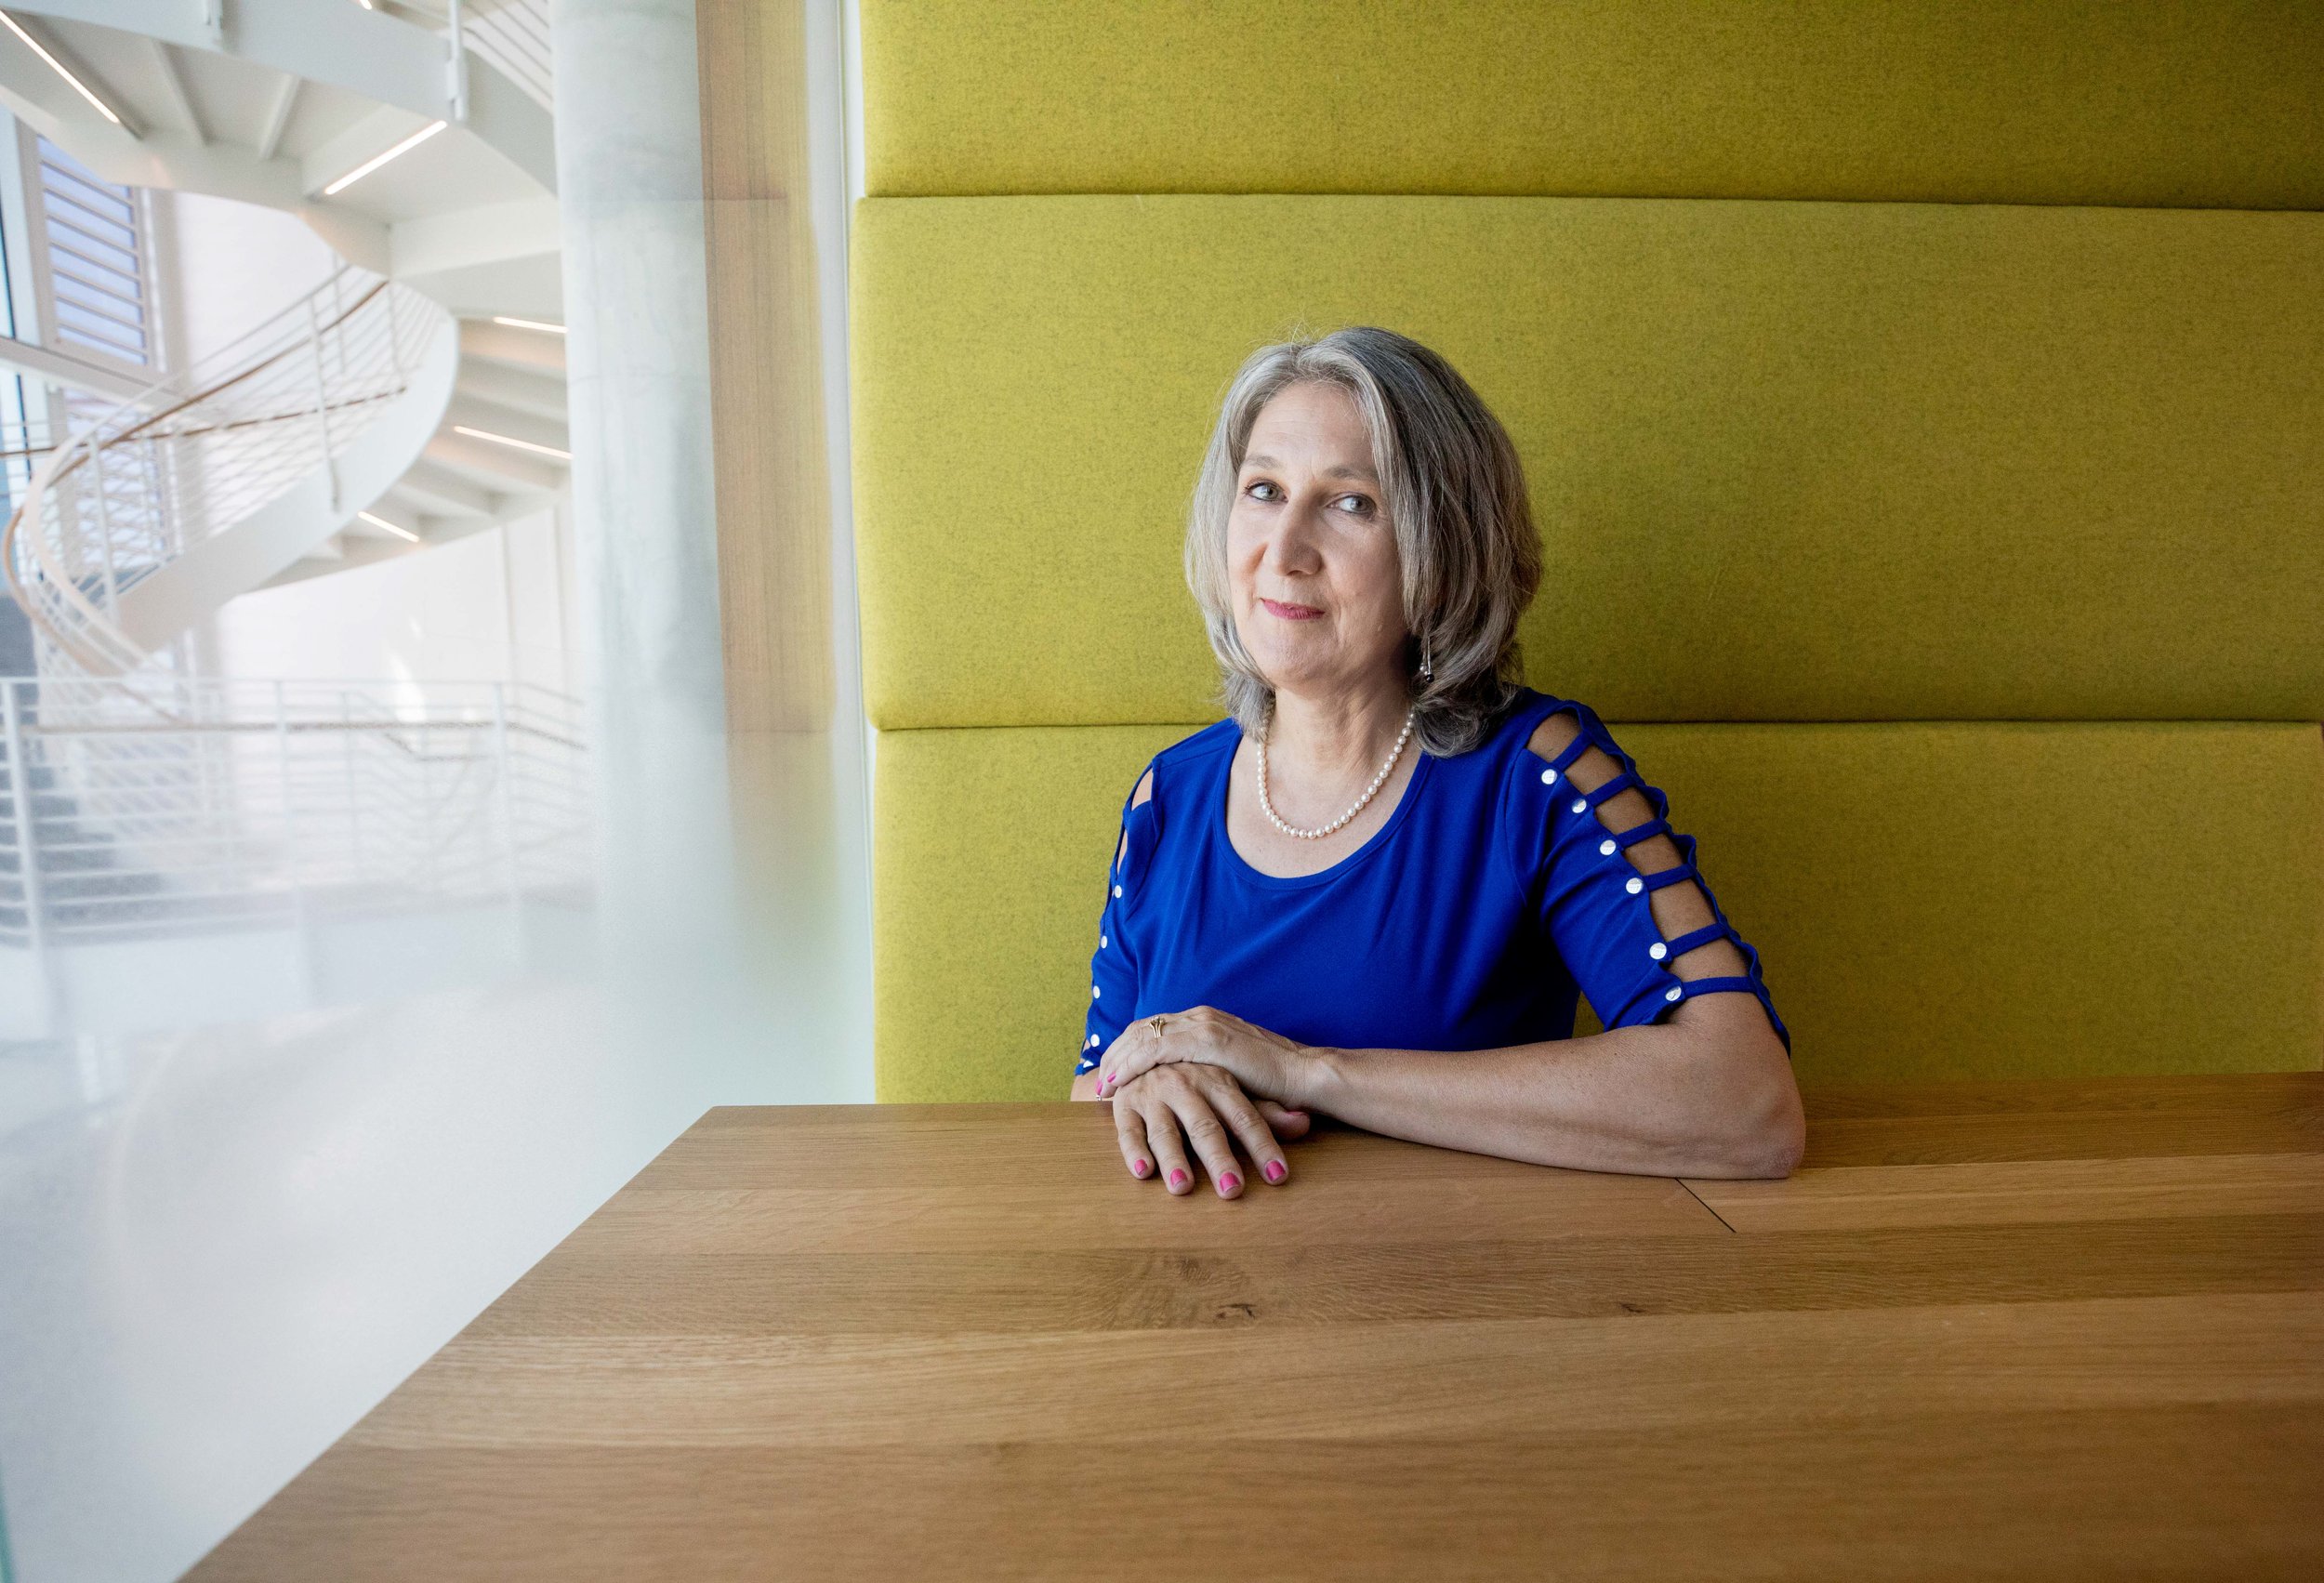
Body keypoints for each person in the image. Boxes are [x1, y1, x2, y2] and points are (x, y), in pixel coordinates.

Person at [1069, 327, 1803, 1198]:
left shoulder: (1534, 776)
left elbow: (1748, 1104)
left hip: (1457, 1299)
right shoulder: (1168, 797)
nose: (1286, 547)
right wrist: (1147, 1083)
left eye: (1351, 504)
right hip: (1203, 1306)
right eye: (1263, 490)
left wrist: (1308, 1071)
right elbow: (1090, 1092)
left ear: (1440, 550)